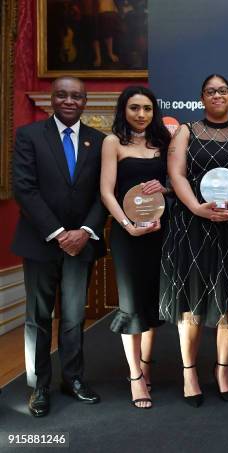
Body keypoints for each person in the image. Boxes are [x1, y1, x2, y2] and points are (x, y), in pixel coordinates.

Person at [159, 74, 228, 407]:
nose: (217, 95)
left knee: (226, 301)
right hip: (193, 226)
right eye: (210, 91)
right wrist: (196, 208)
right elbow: (175, 173)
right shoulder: (187, 130)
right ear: (202, 97)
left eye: (223, 91)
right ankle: (190, 374)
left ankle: (222, 372)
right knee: (192, 301)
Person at [11, 76, 106, 417]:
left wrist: (84, 231)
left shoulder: (99, 141)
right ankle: (39, 387)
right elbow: (24, 189)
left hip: (82, 245)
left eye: (76, 96)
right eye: (62, 95)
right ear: (52, 98)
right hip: (40, 243)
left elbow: (103, 193)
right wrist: (57, 232)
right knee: (38, 318)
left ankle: (73, 378)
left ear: (85, 102)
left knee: (73, 316)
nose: (69, 101)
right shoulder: (29, 136)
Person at [100, 86, 171, 408]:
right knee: (131, 304)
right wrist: (126, 225)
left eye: (147, 108)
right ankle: (135, 377)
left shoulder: (162, 143)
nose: (141, 114)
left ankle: (145, 365)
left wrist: (166, 189)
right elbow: (106, 192)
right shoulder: (113, 142)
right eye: (134, 108)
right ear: (123, 110)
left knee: (151, 302)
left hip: (158, 232)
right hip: (127, 235)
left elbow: (174, 184)